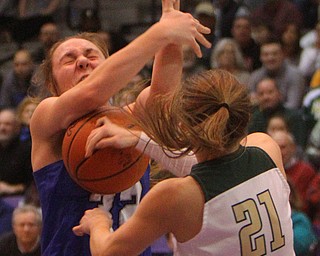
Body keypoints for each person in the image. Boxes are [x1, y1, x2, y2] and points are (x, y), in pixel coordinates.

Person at [30, 0, 211, 255]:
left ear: (109, 66)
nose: (82, 61)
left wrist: (171, 35)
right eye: (68, 60)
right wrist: (159, 34)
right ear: (52, 83)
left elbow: (163, 95)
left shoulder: (131, 119)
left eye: (92, 56)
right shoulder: (46, 118)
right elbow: (92, 92)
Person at [73, 68, 295, 255]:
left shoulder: (175, 197)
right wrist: (137, 139)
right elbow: (215, 172)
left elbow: (108, 252)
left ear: (184, 127)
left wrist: (98, 223)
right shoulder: (267, 148)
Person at [248, 77, 308, 149]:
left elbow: (300, 147)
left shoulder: (295, 117)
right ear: (257, 97)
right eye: (261, 94)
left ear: (279, 93)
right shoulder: (254, 120)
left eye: (270, 92)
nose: (266, 97)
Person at [248, 39, 306, 110]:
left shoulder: (295, 75)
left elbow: (293, 106)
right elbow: (251, 103)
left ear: (283, 55)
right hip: (261, 116)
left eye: (275, 54)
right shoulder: (255, 76)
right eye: (266, 54)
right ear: (261, 57)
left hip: (290, 118)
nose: (270, 58)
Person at [270, 131, 317, 214]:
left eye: (283, 147)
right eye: (276, 147)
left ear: (293, 147)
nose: (280, 152)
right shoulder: (266, 173)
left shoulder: (306, 171)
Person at [0, 108, 33, 196]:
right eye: (0, 124)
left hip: (18, 199)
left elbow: (32, 185)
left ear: (17, 127)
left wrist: (11, 189)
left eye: (7, 124)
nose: (2, 128)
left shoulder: (27, 150)